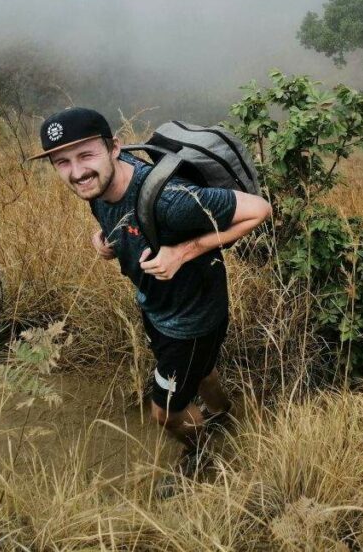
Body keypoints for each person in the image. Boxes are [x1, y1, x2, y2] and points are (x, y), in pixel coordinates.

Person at [30, 107, 271, 464]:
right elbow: (120, 215)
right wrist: (105, 240)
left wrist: (183, 252)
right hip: (158, 306)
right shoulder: (98, 182)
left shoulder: (170, 201)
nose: (77, 172)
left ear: (114, 148)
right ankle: (222, 413)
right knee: (201, 370)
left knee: (166, 414)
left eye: (85, 155)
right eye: (62, 162)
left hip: (191, 319)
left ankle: (204, 457)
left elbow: (260, 208)